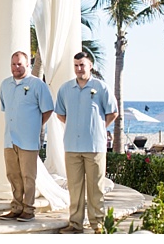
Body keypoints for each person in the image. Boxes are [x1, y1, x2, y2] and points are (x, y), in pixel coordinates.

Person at [55, 52, 118, 234]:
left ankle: (98, 225)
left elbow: (113, 112)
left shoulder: (101, 87)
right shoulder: (65, 89)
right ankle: (75, 224)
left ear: (90, 65)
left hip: (95, 147)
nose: (79, 69)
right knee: (74, 189)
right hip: (72, 147)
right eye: (76, 65)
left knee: (96, 188)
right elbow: (60, 113)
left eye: (82, 65)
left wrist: (98, 127)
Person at [0, 51, 54, 222]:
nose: (16, 67)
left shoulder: (37, 85)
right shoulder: (5, 85)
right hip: (10, 138)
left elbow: (48, 109)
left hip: (28, 140)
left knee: (28, 176)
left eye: (20, 64)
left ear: (27, 65)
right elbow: (5, 108)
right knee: (13, 175)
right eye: (13, 64)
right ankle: (16, 207)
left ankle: (29, 209)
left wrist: (35, 126)